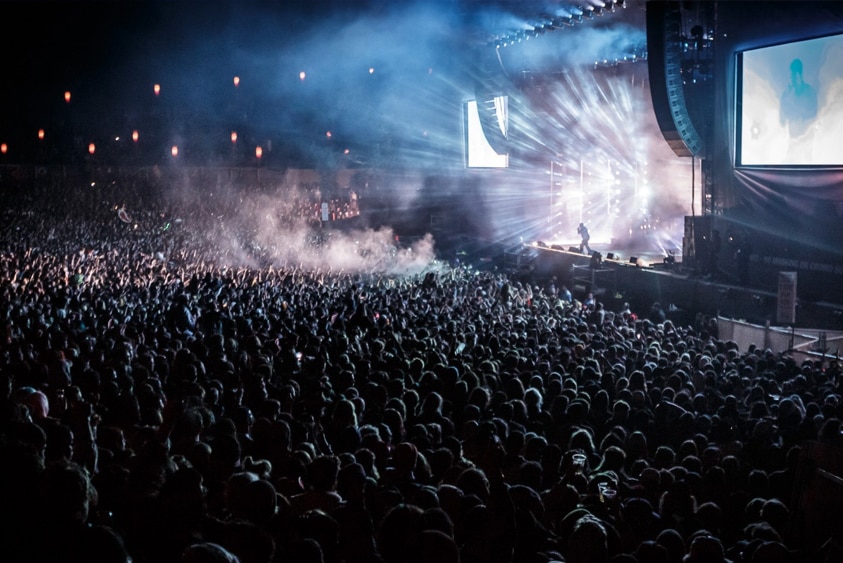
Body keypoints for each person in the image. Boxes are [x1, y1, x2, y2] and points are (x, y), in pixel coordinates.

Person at [779, 58, 817, 138]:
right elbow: (782, 121)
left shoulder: (809, 91)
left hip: (807, 138)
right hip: (792, 139)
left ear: (800, 75)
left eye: (794, 75)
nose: (792, 79)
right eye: (791, 76)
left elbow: (814, 114)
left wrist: (794, 103)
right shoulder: (786, 95)